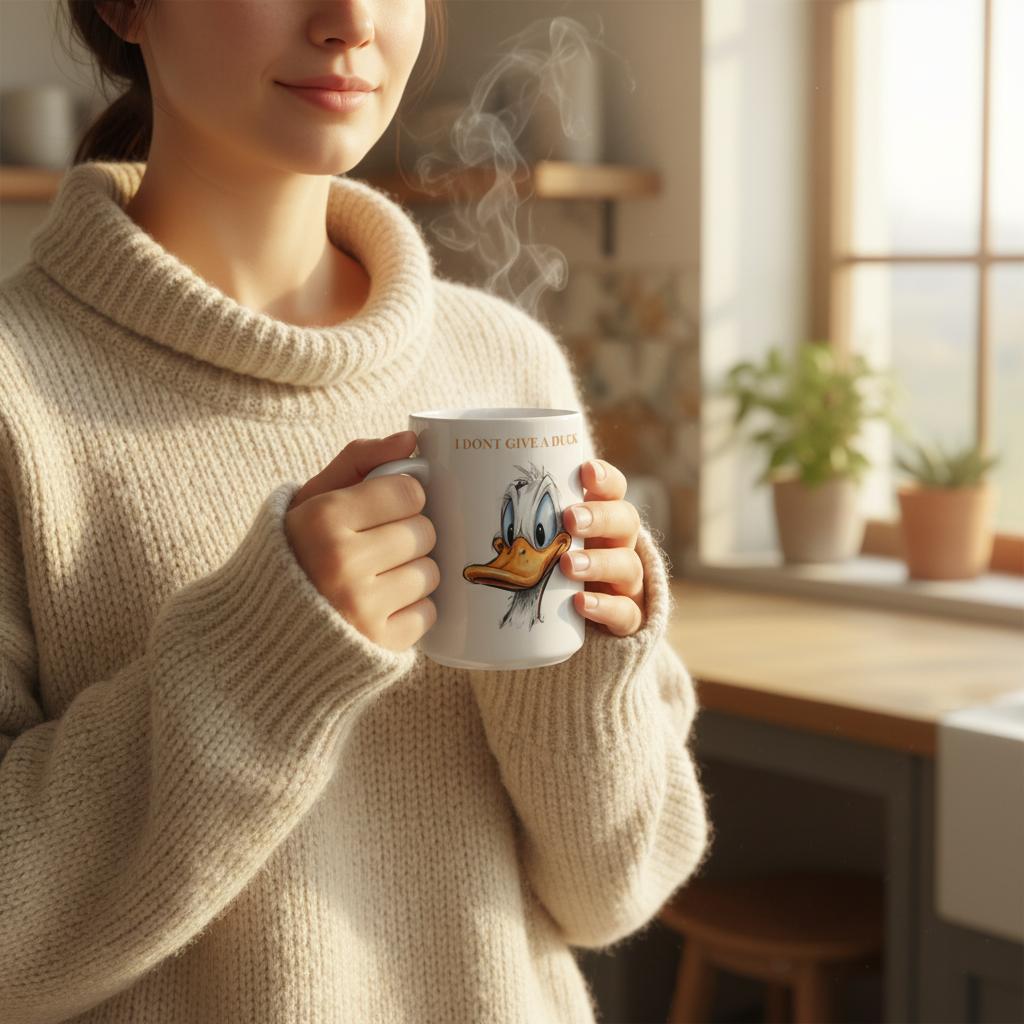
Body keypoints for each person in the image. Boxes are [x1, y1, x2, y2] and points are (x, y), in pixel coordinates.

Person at [0, 1, 713, 1021]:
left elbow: (611, 894)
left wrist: (593, 662)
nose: (349, 19)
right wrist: (262, 657)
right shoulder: (15, 396)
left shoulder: (503, 359)